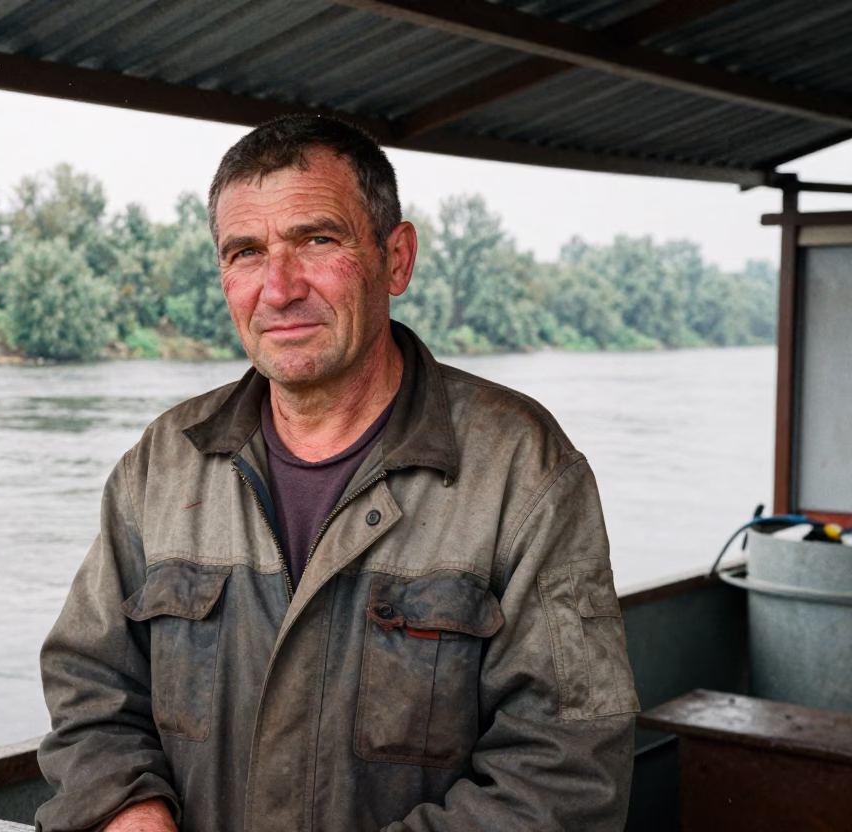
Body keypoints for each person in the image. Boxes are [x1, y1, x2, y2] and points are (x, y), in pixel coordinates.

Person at [35, 115, 638, 832]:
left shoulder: (522, 469)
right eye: (246, 252)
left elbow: (567, 772)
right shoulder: (164, 463)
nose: (279, 287)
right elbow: (90, 685)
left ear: (397, 258)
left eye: (316, 240)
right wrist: (127, 806)